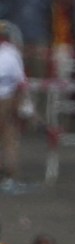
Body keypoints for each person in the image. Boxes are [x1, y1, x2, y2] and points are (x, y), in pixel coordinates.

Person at [0, 21, 25, 193]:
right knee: (9, 138)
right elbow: (20, 83)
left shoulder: (10, 52)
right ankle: (8, 178)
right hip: (6, 98)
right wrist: (22, 104)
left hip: (6, 97)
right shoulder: (12, 53)